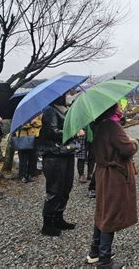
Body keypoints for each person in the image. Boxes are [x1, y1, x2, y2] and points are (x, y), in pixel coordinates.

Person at [86, 104, 139, 267]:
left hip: (102, 173)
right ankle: (105, 261)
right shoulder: (111, 126)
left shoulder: (96, 124)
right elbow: (127, 149)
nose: (119, 108)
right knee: (110, 213)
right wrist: (134, 142)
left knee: (102, 210)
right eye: (116, 106)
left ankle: (95, 251)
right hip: (114, 176)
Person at [37, 94, 83, 236]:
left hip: (66, 153)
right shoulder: (50, 110)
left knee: (66, 188)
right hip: (54, 156)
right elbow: (51, 132)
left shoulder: (64, 109)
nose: (69, 96)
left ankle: (59, 217)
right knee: (55, 190)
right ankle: (48, 223)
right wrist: (74, 133)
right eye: (67, 94)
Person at [18, 116, 42, 183]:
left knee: (33, 157)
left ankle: (30, 174)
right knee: (23, 158)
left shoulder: (38, 112)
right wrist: (30, 123)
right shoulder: (20, 112)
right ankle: (22, 175)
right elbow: (19, 125)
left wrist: (35, 122)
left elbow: (40, 122)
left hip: (34, 137)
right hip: (23, 138)